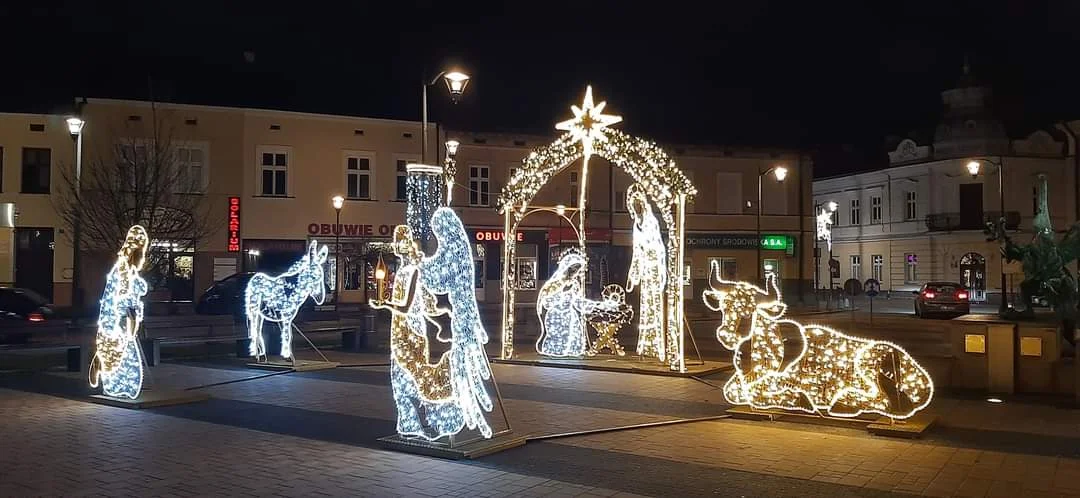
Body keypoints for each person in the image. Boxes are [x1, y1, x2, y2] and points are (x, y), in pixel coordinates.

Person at [89, 225, 150, 399]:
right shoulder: (121, 271)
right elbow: (117, 300)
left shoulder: (130, 273)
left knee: (126, 357)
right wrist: (126, 318)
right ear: (136, 253)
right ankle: (106, 373)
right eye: (142, 254)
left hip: (125, 324)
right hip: (117, 324)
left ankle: (116, 382)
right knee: (119, 356)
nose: (143, 259)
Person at [626, 185, 667, 362]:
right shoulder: (637, 225)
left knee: (654, 307)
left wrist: (661, 270)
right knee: (645, 308)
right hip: (645, 271)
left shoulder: (651, 222)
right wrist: (633, 276)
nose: (636, 207)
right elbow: (637, 251)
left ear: (643, 204)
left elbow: (659, 247)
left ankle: (657, 346)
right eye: (633, 205)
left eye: (638, 204)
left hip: (654, 268)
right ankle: (644, 345)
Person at [536, 251, 590, 357]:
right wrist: (562, 293)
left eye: (578, 271)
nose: (576, 274)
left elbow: (578, 302)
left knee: (572, 342)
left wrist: (597, 306)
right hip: (555, 317)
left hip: (570, 317)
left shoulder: (575, 284)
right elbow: (546, 303)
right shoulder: (553, 284)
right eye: (574, 271)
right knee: (557, 340)